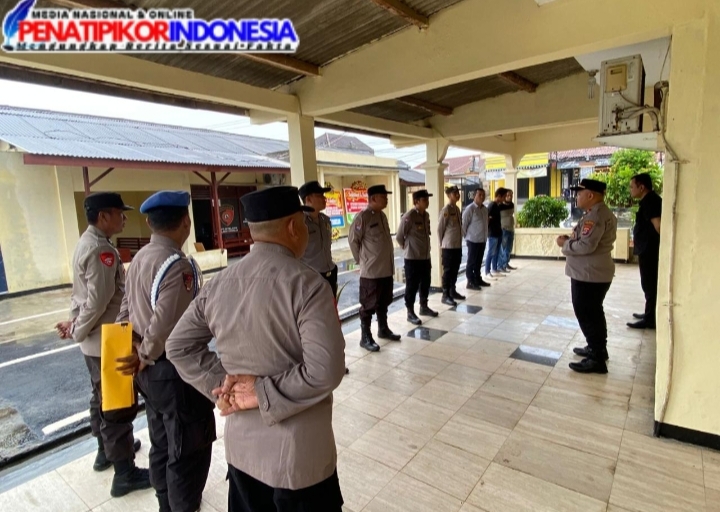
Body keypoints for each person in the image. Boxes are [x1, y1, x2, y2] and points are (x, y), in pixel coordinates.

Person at [164, 186, 346, 512]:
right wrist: (259, 393)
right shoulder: (308, 285)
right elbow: (325, 370)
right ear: (293, 227)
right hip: (298, 461)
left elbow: (178, 346)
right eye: (303, 224)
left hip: (244, 456)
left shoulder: (219, 284)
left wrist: (224, 387)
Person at [115, 191, 215, 512]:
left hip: (149, 373)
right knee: (188, 449)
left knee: (161, 440)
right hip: (173, 372)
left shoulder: (140, 258)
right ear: (186, 222)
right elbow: (165, 323)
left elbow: (125, 308)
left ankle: (165, 503)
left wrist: (132, 345)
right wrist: (144, 353)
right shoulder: (177, 266)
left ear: (149, 223)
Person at [55, 192, 149, 498]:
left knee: (100, 398)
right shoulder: (101, 250)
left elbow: (80, 297)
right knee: (117, 405)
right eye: (119, 213)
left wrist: (74, 325)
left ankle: (105, 452)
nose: (124, 218)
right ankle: (125, 473)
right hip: (108, 340)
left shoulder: (87, 242)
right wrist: (77, 330)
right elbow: (97, 301)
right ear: (103, 216)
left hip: (95, 341)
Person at [557, 179, 618, 374]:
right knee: (593, 313)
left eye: (579, 193)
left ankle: (596, 358)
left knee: (587, 314)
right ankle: (596, 348)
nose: (576, 197)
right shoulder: (597, 213)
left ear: (590, 195)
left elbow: (586, 246)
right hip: (591, 272)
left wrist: (565, 244)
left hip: (589, 274)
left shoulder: (596, 216)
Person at [298, 181, 350, 374]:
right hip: (310, 279)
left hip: (329, 275)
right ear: (308, 199)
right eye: (320, 195)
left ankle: (334, 361)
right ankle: (313, 363)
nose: (324, 198)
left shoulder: (325, 221)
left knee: (331, 320)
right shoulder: (300, 223)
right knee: (314, 324)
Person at [348, 184, 401, 352]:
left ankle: (383, 329)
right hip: (371, 272)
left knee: (383, 302)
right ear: (373, 198)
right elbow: (353, 241)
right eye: (383, 196)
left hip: (385, 269)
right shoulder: (362, 217)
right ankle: (365, 337)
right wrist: (362, 261)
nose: (386, 199)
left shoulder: (382, 216)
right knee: (368, 305)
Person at [396, 190, 438, 325]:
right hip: (412, 258)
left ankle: (424, 306)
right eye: (424, 200)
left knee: (425, 282)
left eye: (427, 199)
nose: (427, 202)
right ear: (416, 202)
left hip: (425, 257)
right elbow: (399, 236)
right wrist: (406, 247)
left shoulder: (426, 215)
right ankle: (410, 312)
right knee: (412, 286)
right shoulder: (409, 217)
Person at [627, 173, 662, 330]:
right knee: (648, 284)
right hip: (647, 249)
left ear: (641, 187)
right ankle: (649, 313)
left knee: (650, 284)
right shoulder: (649, 201)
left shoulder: (651, 202)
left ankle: (650, 319)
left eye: (632, 187)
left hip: (650, 251)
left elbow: (659, 225)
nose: (630, 190)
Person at [437, 185, 465, 306]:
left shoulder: (457, 209)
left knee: (455, 269)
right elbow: (440, 229)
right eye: (455, 194)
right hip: (448, 246)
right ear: (449, 196)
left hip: (457, 245)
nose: (457, 195)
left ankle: (452, 291)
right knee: (448, 271)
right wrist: (441, 244)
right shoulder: (446, 210)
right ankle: (445, 295)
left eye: (458, 193)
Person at [462, 188, 490, 290]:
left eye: (483, 195)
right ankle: (470, 281)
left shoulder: (485, 209)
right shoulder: (470, 209)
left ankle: (478, 279)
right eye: (479, 195)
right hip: (472, 240)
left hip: (482, 239)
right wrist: (466, 238)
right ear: (474, 196)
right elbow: (464, 225)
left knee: (479, 261)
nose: (482, 197)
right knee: (471, 262)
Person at [484, 188, 506, 279]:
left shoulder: (497, 205)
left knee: (496, 252)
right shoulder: (492, 205)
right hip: (492, 233)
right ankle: (487, 271)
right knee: (491, 252)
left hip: (498, 232)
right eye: (504, 197)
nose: (504, 199)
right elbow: (487, 219)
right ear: (499, 196)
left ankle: (494, 269)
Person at [497, 189, 517, 272]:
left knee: (509, 248)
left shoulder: (512, 205)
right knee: (502, 248)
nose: (510, 197)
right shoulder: (500, 206)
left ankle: (506, 263)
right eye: (508, 195)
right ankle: (500, 266)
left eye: (511, 195)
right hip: (504, 229)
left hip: (511, 228)